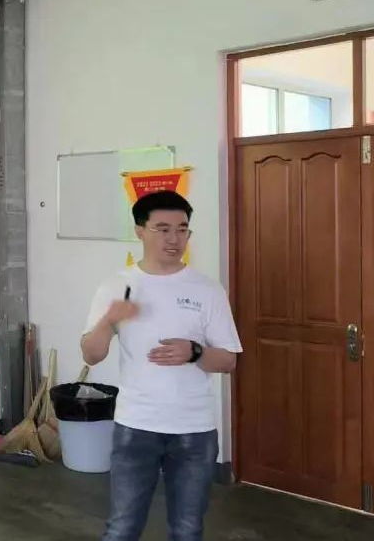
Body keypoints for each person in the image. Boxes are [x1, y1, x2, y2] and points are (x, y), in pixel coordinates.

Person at [80, 190, 241, 541]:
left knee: (187, 530)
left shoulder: (207, 290)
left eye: (182, 230)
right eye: (163, 229)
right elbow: (91, 355)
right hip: (136, 426)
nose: (174, 239)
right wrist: (110, 320)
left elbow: (228, 360)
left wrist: (194, 352)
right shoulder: (117, 286)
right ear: (140, 231)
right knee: (122, 528)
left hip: (194, 430)